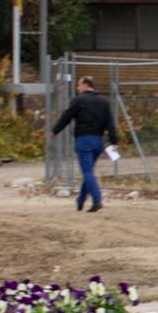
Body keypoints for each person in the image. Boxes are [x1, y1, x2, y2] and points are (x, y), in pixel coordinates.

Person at [51, 75, 118, 212]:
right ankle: (80, 201)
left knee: (87, 172)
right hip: (98, 142)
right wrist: (114, 140)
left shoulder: (79, 100)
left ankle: (97, 200)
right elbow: (110, 123)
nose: (77, 88)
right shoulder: (103, 101)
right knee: (89, 172)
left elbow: (66, 116)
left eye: (79, 85)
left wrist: (55, 131)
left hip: (84, 141)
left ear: (86, 85)